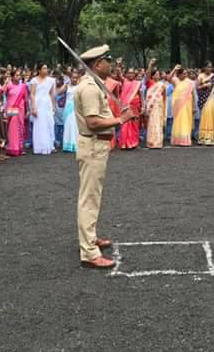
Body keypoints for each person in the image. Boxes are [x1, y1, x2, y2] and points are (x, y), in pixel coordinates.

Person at [75, 45, 133, 269]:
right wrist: (120, 120)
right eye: (108, 60)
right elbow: (93, 122)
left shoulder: (94, 84)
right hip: (93, 145)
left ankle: (90, 238)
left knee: (93, 196)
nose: (111, 64)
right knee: (89, 198)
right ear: (98, 64)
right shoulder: (90, 88)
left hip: (96, 146)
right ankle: (89, 252)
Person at [30, 63, 56, 155]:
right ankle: (39, 147)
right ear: (39, 70)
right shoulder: (34, 80)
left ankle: (50, 145)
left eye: (46, 68)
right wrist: (33, 107)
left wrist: (53, 105)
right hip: (38, 104)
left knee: (49, 123)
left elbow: (52, 94)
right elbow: (32, 94)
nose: (46, 70)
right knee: (39, 125)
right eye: (44, 68)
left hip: (47, 104)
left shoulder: (51, 80)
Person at [3, 70, 28, 156]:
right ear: (12, 77)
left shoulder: (23, 86)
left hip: (20, 109)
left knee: (20, 127)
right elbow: (1, 92)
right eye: (16, 75)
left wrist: (27, 111)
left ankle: (20, 148)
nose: (19, 77)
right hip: (11, 108)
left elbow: (26, 99)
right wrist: (5, 83)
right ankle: (12, 148)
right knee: (12, 128)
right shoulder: (8, 86)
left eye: (19, 75)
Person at [170, 66, 196, 146]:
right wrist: (174, 69)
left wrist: (194, 106)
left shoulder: (190, 82)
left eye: (186, 73)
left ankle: (185, 140)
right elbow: (169, 78)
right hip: (178, 106)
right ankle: (177, 140)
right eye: (184, 74)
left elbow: (193, 95)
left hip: (187, 105)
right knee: (178, 121)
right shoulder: (176, 81)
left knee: (186, 121)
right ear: (179, 74)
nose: (185, 75)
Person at [119, 68, 142, 150]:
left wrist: (142, 106)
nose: (131, 74)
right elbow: (119, 75)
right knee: (125, 124)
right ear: (126, 74)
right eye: (129, 73)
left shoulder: (138, 83)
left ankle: (133, 143)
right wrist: (118, 66)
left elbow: (140, 94)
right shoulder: (124, 81)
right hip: (126, 106)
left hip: (135, 106)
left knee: (134, 125)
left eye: (132, 73)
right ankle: (124, 143)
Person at [145, 70, 167, 149]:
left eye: (158, 74)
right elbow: (147, 75)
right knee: (152, 122)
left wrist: (161, 103)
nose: (158, 76)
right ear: (152, 76)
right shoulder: (150, 82)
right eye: (156, 74)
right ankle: (151, 142)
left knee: (158, 122)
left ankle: (158, 142)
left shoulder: (161, 84)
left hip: (158, 105)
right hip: (151, 106)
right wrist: (150, 65)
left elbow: (164, 95)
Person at [197, 74, 214, 146]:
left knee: (213, 118)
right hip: (205, 100)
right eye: (207, 67)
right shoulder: (200, 76)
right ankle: (203, 138)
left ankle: (212, 138)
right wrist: (205, 85)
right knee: (206, 117)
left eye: (210, 68)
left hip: (212, 99)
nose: (209, 69)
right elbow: (198, 87)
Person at [62, 71, 80, 153]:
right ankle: (67, 145)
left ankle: (76, 145)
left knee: (76, 126)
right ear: (70, 78)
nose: (75, 79)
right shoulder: (67, 86)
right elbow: (58, 92)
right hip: (68, 108)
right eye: (73, 78)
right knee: (68, 126)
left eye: (76, 78)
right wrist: (65, 84)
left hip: (76, 108)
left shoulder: (80, 86)